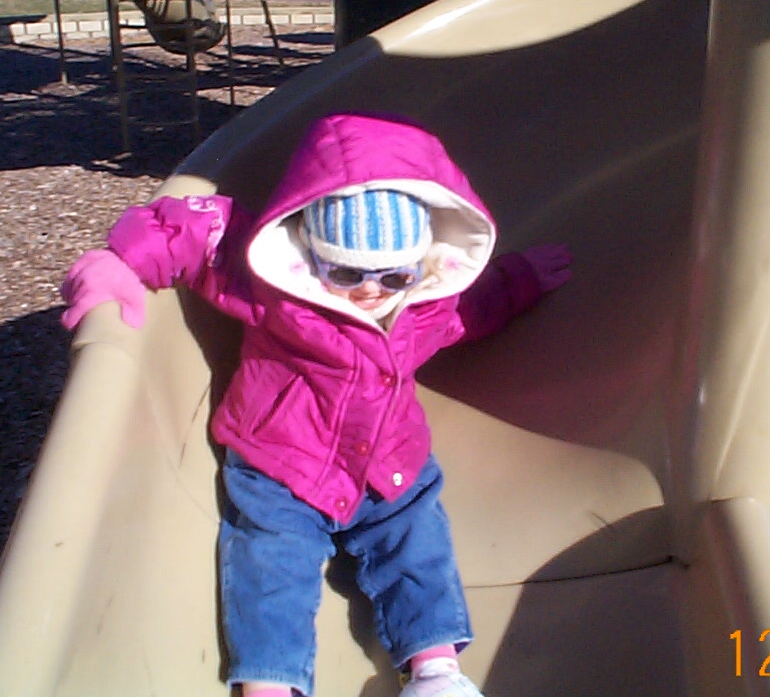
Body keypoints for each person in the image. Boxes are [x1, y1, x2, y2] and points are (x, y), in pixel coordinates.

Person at [60, 113, 572, 697]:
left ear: (422, 265)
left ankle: (435, 669)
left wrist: (520, 279)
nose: (371, 290)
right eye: (346, 273)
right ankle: (270, 685)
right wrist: (119, 260)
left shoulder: (427, 301)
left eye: (394, 276)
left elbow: (474, 308)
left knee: (418, 544)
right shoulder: (272, 282)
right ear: (311, 252)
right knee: (270, 568)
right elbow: (192, 231)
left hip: (388, 457)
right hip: (283, 461)